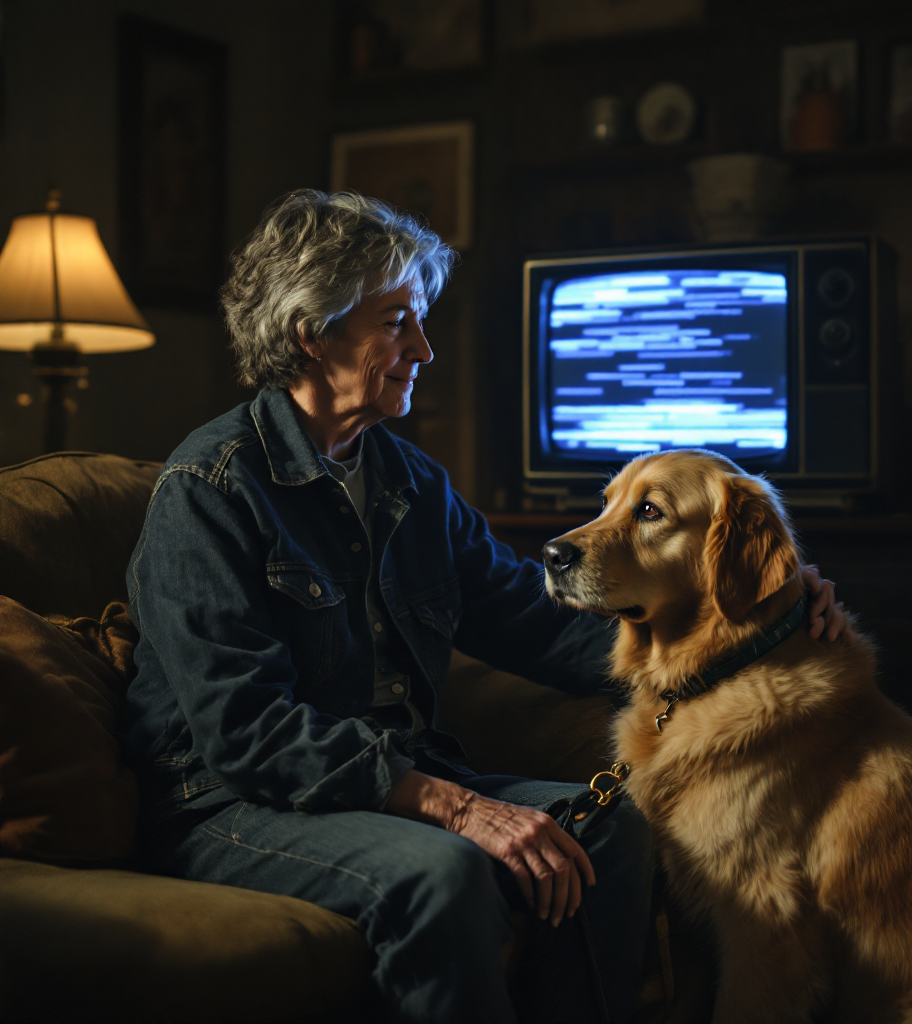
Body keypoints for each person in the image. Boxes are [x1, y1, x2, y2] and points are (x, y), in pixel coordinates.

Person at [123, 190, 845, 1024]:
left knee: (615, 828)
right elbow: (246, 730)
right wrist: (455, 806)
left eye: (419, 320)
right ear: (312, 332)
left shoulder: (408, 483)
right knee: (446, 870)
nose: (424, 348)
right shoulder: (208, 490)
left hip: (385, 779)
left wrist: (762, 621)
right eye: (397, 321)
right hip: (227, 804)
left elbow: (541, 623)